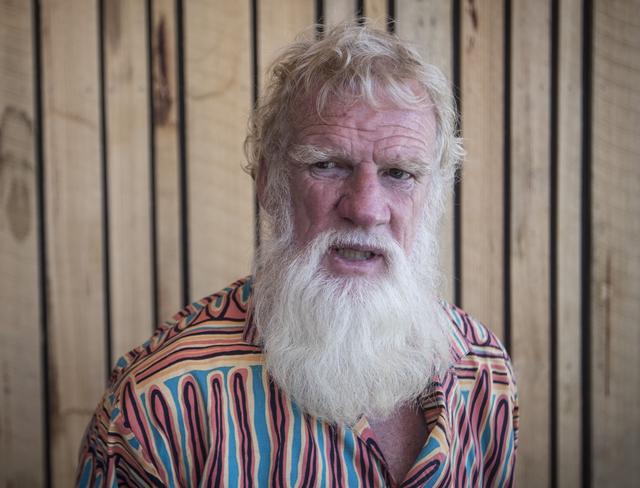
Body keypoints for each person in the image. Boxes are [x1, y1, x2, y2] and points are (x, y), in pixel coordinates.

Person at [77, 22, 518, 487]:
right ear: (270, 182)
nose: (365, 210)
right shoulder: (158, 405)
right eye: (327, 165)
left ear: (435, 194)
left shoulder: (483, 370)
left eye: (400, 173)